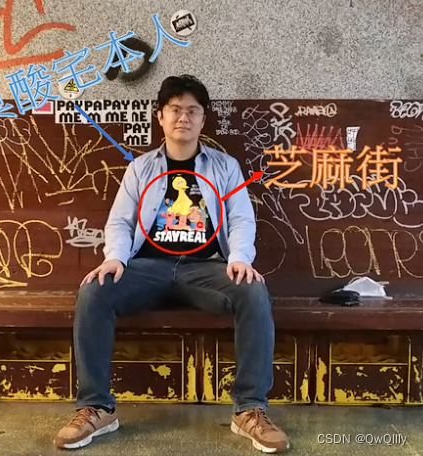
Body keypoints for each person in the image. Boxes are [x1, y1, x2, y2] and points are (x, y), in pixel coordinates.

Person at [54, 75, 290, 453]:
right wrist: (114, 258)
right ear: (160, 117)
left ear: (203, 119)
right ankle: (97, 407)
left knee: (253, 291)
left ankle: (250, 409)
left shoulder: (224, 167)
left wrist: (240, 259)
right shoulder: (141, 168)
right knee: (94, 291)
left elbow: (242, 219)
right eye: (175, 110)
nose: (184, 117)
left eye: (192, 111)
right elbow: (120, 221)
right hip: (147, 267)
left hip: (206, 268)